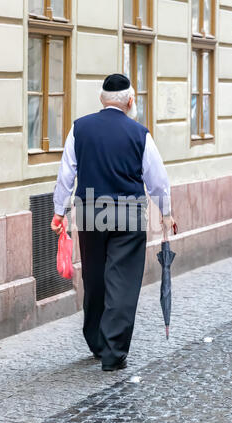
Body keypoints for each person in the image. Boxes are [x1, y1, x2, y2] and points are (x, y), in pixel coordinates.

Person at [51, 73, 176, 372]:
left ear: (101, 99)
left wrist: (59, 211)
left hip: (91, 210)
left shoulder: (79, 129)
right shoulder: (139, 133)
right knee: (122, 282)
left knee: (94, 278)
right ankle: (113, 352)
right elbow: (158, 181)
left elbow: (66, 174)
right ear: (131, 101)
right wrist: (166, 213)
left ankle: (95, 341)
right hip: (128, 212)